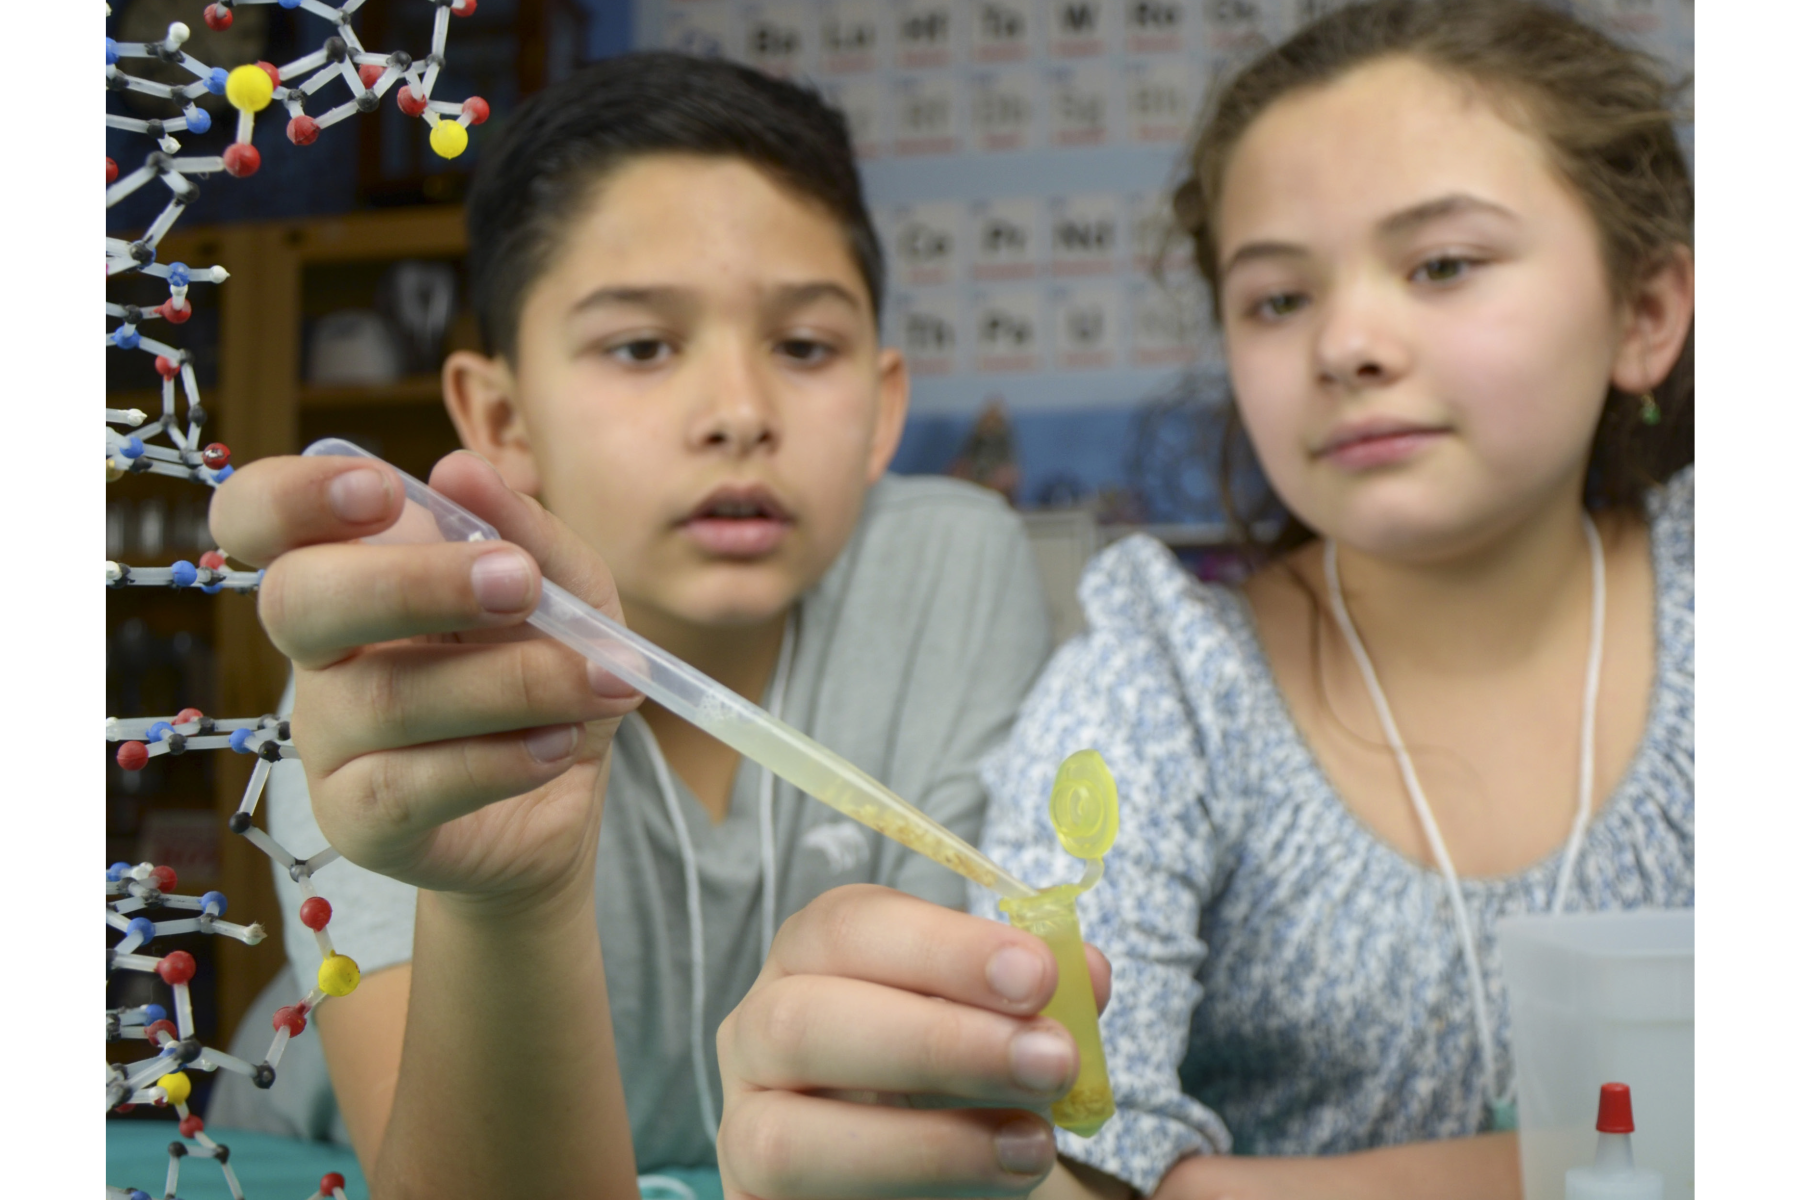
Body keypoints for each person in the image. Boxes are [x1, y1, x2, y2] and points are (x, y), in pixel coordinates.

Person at [703, 2, 1693, 1199]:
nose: (1349, 343)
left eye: (1442, 265)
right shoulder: (1160, 683)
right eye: (1278, 299)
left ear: (1644, 312)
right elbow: (1074, 1168)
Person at [205, 52, 1057, 1194]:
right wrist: (503, 900)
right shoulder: (401, 681)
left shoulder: (952, 563)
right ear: (498, 415)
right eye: (641, 347)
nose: (740, 415)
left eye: (804, 347)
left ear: (882, 405)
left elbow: (969, 1072)